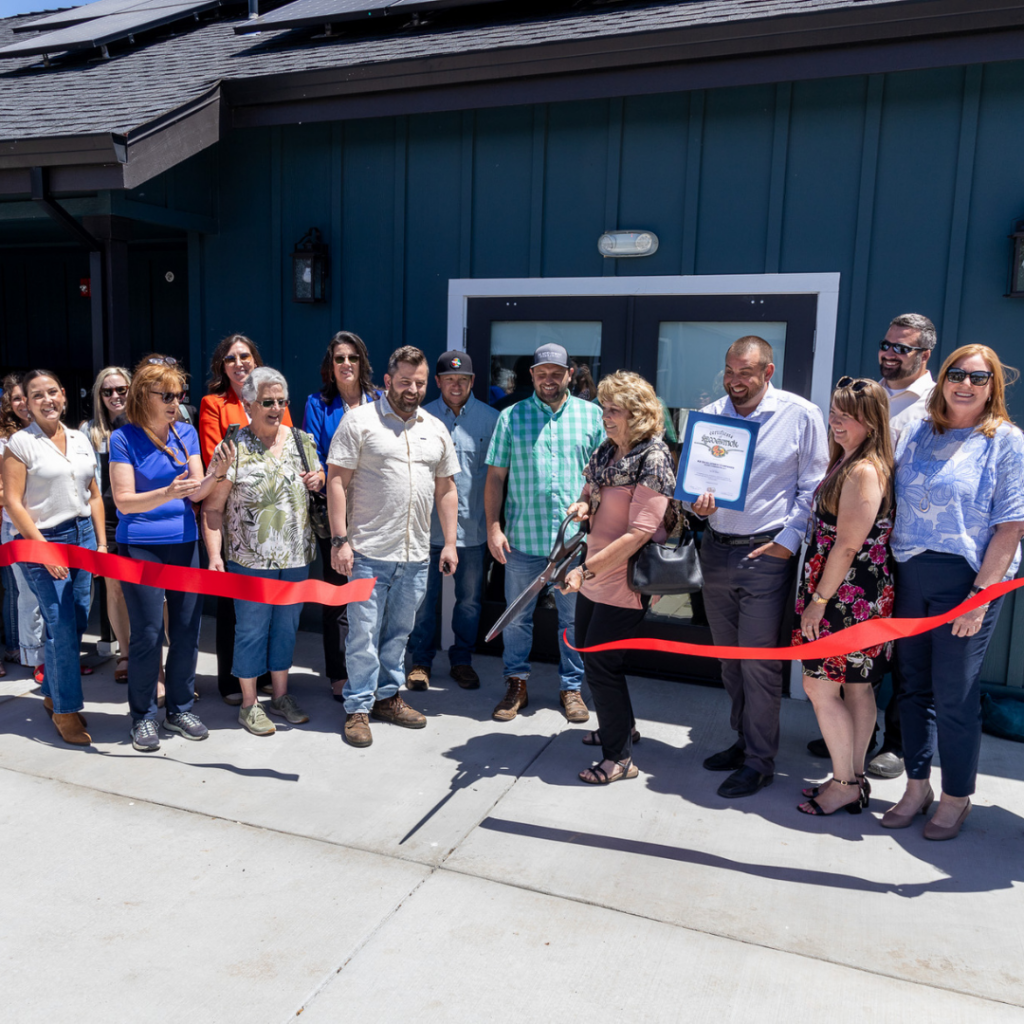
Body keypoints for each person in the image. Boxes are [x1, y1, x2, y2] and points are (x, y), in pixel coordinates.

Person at [883, 345, 1024, 840]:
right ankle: (917, 785)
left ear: (993, 388)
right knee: (912, 688)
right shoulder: (916, 431)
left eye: (978, 378)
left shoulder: (1005, 442)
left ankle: (956, 796)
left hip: (967, 581)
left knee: (955, 694)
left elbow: (1011, 527)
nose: (965, 384)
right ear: (942, 379)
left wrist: (980, 596)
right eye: (956, 374)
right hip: (910, 573)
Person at [693, 336, 828, 799]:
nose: (735, 381)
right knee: (730, 663)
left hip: (766, 555)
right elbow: (692, 491)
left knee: (758, 665)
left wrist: (787, 544)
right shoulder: (711, 417)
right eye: (730, 371)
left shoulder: (800, 414)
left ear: (767, 373)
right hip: (715, 550)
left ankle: (760, 763)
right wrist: (698, 508)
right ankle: (743, 740)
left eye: (745, 372)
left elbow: (815, 487)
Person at [327, 345, 459, 748]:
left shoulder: (434, 427)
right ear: (387, 381)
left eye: (419, 383)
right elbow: (336, 481)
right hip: (367, 552)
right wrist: (339, 541)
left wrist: (449, 543)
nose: (412, 389)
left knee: (399, 633)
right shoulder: (359, 422)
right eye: (404, 382)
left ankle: (387, 697)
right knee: (363, 635)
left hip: (416, 555)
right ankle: (358, 708)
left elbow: (446, 488)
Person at [559, 370, 676, 784]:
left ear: (638, 413)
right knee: (597, 660)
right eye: (604, 409)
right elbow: (591, 493)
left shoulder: (654, 456)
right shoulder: (608, 450)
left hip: (622, 578)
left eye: (615, 410)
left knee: (602, 664)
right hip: (593, 572)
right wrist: (583, 506)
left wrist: (585, 570)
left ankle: (620, 759)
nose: (605, 417)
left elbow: (640, 533)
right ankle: (620, 728)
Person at [110, 359, 228, 752]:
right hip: (141, 545)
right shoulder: (123, 438)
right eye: (167, 396)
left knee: (186, 632)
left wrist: (215, 474)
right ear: (144, 396)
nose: (175, 402)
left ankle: (178, 709)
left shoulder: (187, 434)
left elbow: (196, 492)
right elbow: (124, 503)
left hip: (184, 543)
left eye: (179, 395)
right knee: (146, 634)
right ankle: (143, 717)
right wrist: (166, 493)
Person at [484, 343, 605, 723]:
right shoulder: (511, 418)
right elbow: (495, 478)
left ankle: (571, 687)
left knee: (572, 620)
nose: (548, 379)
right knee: (517, 618)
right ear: (531, 376)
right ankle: (516, 682)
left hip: (575, 545)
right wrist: (493, 526)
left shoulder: (593, 417)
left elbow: (605, 478)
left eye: (556, 372)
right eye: (541, 373)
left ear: (570, 374)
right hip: (523, 540)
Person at [792, 377, 894, 815]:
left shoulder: (864, 470)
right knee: (856, 687)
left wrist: (818, 600)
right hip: (849, 592)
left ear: (870, 422)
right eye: (833, 412)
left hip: (845, 596)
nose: (835, 422)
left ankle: (846, 781)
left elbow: (848, 544)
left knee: (820, 686)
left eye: (846, 416)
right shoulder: (850, 460)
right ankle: (853, 778)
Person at [203, 367, 322, 736]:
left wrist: (317, 480)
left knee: (287, 627)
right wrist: (215, 557)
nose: (274, 408)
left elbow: (317, 485)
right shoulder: (233, 446)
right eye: (266, 402)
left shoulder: (303, 441)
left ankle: (281, 696)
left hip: (295, 556)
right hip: (249, 559)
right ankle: (250, 703)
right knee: (251, 629)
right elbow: (212, 508)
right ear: (248, 404)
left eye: (280, 401)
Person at [1, 369, 104, 745]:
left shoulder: (79, 438)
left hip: (84, 537)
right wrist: (43, 550)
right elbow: (12, 502)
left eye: (52, 392)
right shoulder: (20, 444)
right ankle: (65, 710)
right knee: (60, 625)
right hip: (43, 540)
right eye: (36, 395)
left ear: (63, 395)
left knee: (75, 622)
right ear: (25, 404)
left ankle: (53, 695)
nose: (47, 400)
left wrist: (102, 545)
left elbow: (93, 494)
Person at [199, 334, 292, 704]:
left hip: (270, 515)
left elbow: (283, 445)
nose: (239, 363)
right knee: (235, 608)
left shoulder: (276, 397)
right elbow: (214, 454)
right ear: (222, 367)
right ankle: (231, 681)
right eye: (231, 358)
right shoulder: (214, 403)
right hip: (231, 510)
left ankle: (268, 675)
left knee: (272, 607)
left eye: (246, 356)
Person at [407, 351, 499, 691]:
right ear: (438, 382)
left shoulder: (491, 420)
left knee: (470, 602)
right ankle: (420, 662)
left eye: (462, 379)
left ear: (472, 381)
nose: (455, 385)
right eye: (449, 379)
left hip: (472, 530)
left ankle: (462, 660)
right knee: (422, 601)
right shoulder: (420, 418)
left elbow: (496, 477)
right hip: (425, 531)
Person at [302, 331, 381, 704]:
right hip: (335, 514)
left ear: (362, 362)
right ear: (330, 366)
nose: (346, 364)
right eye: (339, 359)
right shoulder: (318, 404)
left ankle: (372, 667)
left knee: (374, 594)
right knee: (338, 595)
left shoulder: (381, 400)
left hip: (377, 512)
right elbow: (312, 450)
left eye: (352, 357)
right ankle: (339, 672)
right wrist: (317, 473)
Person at [81, 366, 133, 683]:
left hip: (142, 513)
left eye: (121, 390)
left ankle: (158, 657)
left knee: (158, 591)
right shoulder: (89, 431)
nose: (115, 396)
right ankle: (125, 654)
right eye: (107, 391)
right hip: (108, 518)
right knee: (114, 588)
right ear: (99, 396)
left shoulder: (145, 424)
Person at [0, 373, 43, 672]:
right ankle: (34, 657)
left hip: (51, 524)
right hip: (16, 525)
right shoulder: (4, 441)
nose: (23, 403)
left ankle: (52, 655)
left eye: (26, 396)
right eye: (16, 398)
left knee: (52, 595)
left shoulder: (50, 433)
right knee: (28, 594)